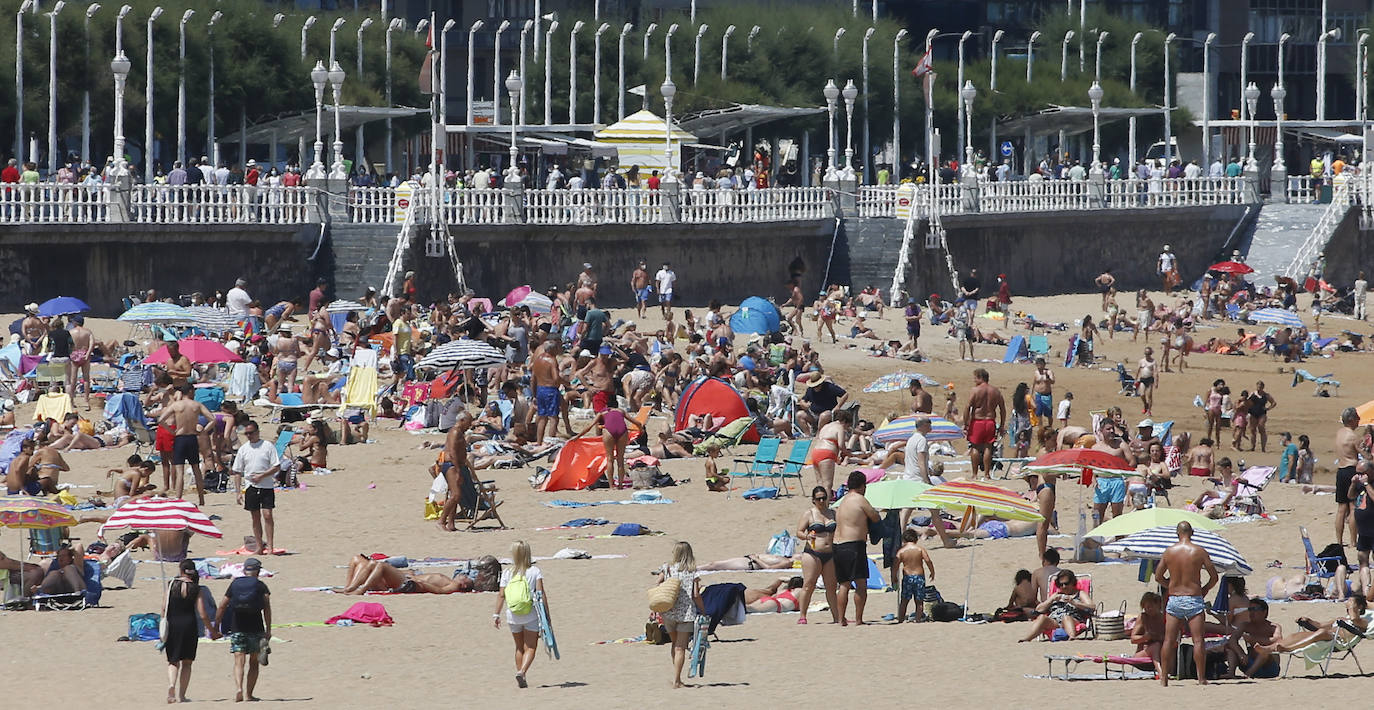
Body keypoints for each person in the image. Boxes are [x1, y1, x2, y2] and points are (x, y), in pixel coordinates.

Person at [1156, 521, 1220, 686]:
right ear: (1191, 532)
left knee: (1169, 641)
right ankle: (1201, 678)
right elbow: (1214, 577)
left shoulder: (1169, 552)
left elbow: (1158, 577)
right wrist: (1204, 589)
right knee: (1198, 641)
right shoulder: (1199, 551)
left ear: (1177, 533)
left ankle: (1163, 679)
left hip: (1175, 598)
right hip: (1193, 597)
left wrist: (1169, 585)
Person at [1246, 597, 1368, 677]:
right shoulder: (1340, 619)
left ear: (1359, 607)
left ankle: (1287, 649)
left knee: (1321, 632)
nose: (1348, 603)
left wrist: (1352, 607)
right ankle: (1270, 649)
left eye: (1352, 601)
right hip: (1325, 636)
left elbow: (1354, 619)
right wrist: (1308, 620)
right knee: (1296, 635)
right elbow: (1320, 625)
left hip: (1339, 641)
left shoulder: (1362, 622)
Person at [213, 557, 271, 702]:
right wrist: (268, 629)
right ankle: (249, 694)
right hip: (256, 627)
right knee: (253, 662)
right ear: (258, 571)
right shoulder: (261, 585)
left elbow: (222, 605)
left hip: (237, 627)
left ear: (245, 570)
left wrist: (216, 626)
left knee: (239, 661)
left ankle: (238, 688)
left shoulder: (235, 584)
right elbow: (267, 608)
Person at [163, 558, 220, 703]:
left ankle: (171, 686)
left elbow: (164, 607)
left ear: (181, 570)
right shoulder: (196, 588)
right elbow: (203, 613)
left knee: (173, 661)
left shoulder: (171, 585)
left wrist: (163, 626)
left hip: (173, 624)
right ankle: (182, 695)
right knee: (187, 662)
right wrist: (212, 631)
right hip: (189, 625)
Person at [493, 540, 548, 689]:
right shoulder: (535, 571)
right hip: (530, 614)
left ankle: (521, 674)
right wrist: (546, 616)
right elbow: (541, 594)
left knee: (519, 647)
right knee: (530, 647)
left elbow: (501, 595)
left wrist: (496, 615)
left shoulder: (507, 573)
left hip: (513, 615)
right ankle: (522, 672)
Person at [833, 470, 879, 626]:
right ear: (862, 486)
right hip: (854, 545)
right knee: (861, 584)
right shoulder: (860, 499)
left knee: (844, 584)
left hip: (837, 545)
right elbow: (875, 517)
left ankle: (841, 619)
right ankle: (859, 619)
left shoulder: (842, 501)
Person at [157, 384, 216, 505]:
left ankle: (178, 499)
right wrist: (204, 431)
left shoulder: (176, 405)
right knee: (196, 469)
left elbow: (161, 420)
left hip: (180, 437)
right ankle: (201, 499)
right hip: (192, 437)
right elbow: (212, 419)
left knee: (180, 471)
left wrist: (171, 431)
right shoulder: (196, 405)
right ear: (189, 391)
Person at [657, 541, 704, 689]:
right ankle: (677, 680)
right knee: (680, 648)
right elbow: (696, 594)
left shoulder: (667, 568)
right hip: (685, 614)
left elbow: (658, 585)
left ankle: (677, 677)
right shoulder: (692, 571)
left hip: (668, 612)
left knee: (674, 644)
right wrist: (703, 610)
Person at [231, 420, 281, 555]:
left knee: (268, 515)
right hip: (250, 487)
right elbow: (237, 472)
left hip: (266, 486)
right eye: (246, 433)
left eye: (251, 433)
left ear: (257, 432)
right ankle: (259, 546)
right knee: (255, 517)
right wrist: (238, 492)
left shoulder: (268, 446)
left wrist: (262, 476)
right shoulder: (244, 449)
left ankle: (270, 546)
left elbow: (276, 466)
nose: (248, 436)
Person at [571, 397, 641, 489]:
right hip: (622, 431)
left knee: (610, 459)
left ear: (607, 406)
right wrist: (641, 429)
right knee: (620, 459)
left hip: (609, 432)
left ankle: (611, 485)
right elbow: (636, 422)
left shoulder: (602, 413)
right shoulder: (621, 411)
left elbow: (589, 426)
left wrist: (577, 436)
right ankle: (620, 485)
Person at [796, 485, 839, 624]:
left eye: (824, 498)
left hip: (830, 553)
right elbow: (799, 532)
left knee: (831, 587)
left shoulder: (833, 513)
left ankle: (836, 617)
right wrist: (807, 537)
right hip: (812, 553)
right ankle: (802, 615)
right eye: (818, 498)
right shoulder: (809, 513)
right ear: (813, 500)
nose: (821, 501)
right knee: (809, 584)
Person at [1020, 569, 1093, 641]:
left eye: (1066, 583)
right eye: (1061, 584)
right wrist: (1051, 600)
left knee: (1066, 617)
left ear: (1072, 582)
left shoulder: (1079, 593)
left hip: (1072, 619)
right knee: (1042, 617)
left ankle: (1072, 637)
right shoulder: (1056, 595)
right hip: (1055, 621)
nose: (1064, 586)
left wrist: (1074, 602)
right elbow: (1038, 610)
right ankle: (1028, 638)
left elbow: (1092, 607)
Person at [964, 368, 1006, 480]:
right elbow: (1002, 409)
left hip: (978, 421)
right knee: (988, 447)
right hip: (990, 421)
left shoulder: (975, 390)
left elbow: (968, 407)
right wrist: (1002, 425)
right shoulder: (996, 391)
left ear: (980, 377)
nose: (974, 380)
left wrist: (965, 423)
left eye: (975, 377)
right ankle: (987, 474)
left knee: (975, 447)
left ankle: (975, 474)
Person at [894, 529, 935, 623]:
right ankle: (918, 619)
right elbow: (928, 560)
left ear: (903, 540)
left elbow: (895, 565)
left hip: (907, 577)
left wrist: (894, 577)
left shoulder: (901, 551)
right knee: (919, 601)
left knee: (904, 600)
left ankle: (900, 619)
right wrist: (932, 572)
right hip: (919, 577)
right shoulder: (920, 549)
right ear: (916, 539)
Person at [1336, 407, 1361, 547]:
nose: (1359, 420)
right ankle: (1353, 541)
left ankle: (1339, 541)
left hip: (1341, 470)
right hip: (1352, 469)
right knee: (1352, 507)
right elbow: (1365, 454)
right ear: (1351, 420)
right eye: (1357, 418)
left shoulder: (1339, 433)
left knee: (1341, 508)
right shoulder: (1353, 436)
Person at [1130, 592, 1166, 676]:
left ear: (1158, 605)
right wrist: (1145, 637)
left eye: (1151, 607)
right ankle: (1161, 673)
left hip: (1161, 653)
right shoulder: (1143, 618)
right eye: (1146, 607)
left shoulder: (1162, 618)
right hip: (1142, 655)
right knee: (1155, 646)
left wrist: (1159, 637)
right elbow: (1133, 639)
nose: (1148, 609)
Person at [1136, 347, 1157, 416]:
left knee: (1149, 395)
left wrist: (1156, 382)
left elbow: (1155, 372)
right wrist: (1136, 379)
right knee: (1142, 394)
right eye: (1146, 353)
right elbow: (1138, 370)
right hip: (1143, 379)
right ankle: (1145, 404)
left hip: (1150, 379)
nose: (1147, 355)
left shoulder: (1153, 362)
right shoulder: (1141, 361)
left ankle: (1149, 411)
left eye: (1148, 354)